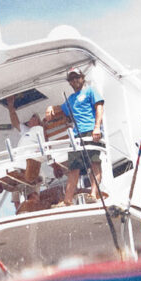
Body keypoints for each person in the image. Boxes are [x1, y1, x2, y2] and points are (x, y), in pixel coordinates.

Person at [45, 66, 104, 205]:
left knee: (94, 163)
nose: (75, 80)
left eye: (77, 77)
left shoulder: (90, 90)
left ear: (82, 78)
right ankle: (67, 200)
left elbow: (99, 108)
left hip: (91, 132)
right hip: (76, 136)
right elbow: (60, 108)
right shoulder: (71, 98)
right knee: (74, 168)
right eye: (72, 79)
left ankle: (93, 194)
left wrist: (97, 128)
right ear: (69, 82)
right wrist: (50, 108)